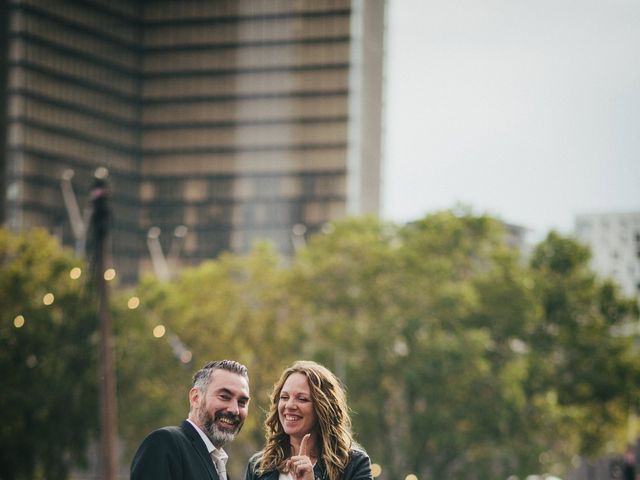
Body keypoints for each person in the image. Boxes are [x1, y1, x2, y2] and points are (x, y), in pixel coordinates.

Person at [245, 360, 372, 480]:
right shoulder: (258, 467)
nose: (289, 405)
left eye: (302, 399)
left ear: (323, 408)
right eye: (284, 397)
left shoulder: (354, 464)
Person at [131, 359, 250, 480]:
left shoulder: (219, 466)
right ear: (195, 398)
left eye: (242, 402)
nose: (234, 410)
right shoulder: (165, 443)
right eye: (224, 397)